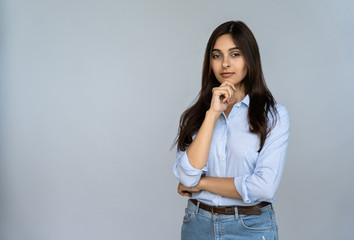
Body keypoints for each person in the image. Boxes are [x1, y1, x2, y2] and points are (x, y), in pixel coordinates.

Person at [172, 21, 290, 240]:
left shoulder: (273, 116)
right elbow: (187, 174)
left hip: (250, 226)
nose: (225, 63)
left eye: (235, 54)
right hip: (197, 224)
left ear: (249, 59)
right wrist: (213, 113)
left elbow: (264, 188)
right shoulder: (197, 116)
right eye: (217, 56)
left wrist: (202, 183)